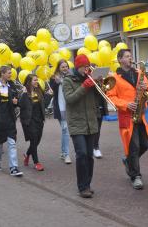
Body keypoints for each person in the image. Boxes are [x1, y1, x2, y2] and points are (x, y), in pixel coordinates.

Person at [107, 49, 148, 190]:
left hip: (142, 114)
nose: (130, 58)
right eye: (127, 56)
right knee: (134, 147)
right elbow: (111, 97)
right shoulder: (114, 77)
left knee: (146, 144)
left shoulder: (139, 73)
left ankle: (128, 161)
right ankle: (136, 176)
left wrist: (147, 88)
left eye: (130, 55)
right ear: (120, 60)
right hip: (127, 116)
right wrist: (126, 104)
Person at [63, 54, 98, 198]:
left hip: (90, 122)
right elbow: (70, 99)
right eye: (84, 67)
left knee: (89, 156)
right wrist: (84, 87)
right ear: (78, 67)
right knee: (82, 154)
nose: (86, 69)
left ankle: (87, 184)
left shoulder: (90, 78)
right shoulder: (68, 80)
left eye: (88, 67)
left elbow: (100, 97)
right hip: (76, 123)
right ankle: (82, 187)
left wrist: (98, 84)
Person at [0, 65, 23, 177]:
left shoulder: (11, 85)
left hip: (10, 119)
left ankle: (14, 168)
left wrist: (16, 101)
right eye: (8, 73)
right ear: (2, 73)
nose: (10, 74)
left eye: (10, 73)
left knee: (12, 143)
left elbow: (16, 99)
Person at [20, 74, 46, 171]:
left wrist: (48, 95)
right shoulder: (25, 93)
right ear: (29, 82)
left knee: (37, 141)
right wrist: (22, 95)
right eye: (35, 80)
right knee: (34, 140)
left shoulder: (39, 91)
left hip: (39, 120)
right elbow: (20, 105)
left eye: (37, 80)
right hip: (29, 121)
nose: (37, 82)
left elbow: (44, 104)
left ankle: (27, 154)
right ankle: (36, 162)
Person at [49, 59, 72, 164]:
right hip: (60, 107)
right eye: (63, 67)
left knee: (65, 131)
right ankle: (67, 154)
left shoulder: (71, 76)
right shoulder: (54, 78)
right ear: (58, 68)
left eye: (66, 66)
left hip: (70, 107)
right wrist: (56, 82)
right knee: (66, 130)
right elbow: (52, 91)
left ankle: (63, 153)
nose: (65, 68)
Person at [93, 88, 108, 159]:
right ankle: (93, 147)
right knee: (92, 129)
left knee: (98, 129)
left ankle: (96, 147)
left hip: (100, 106)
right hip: (91, 106)